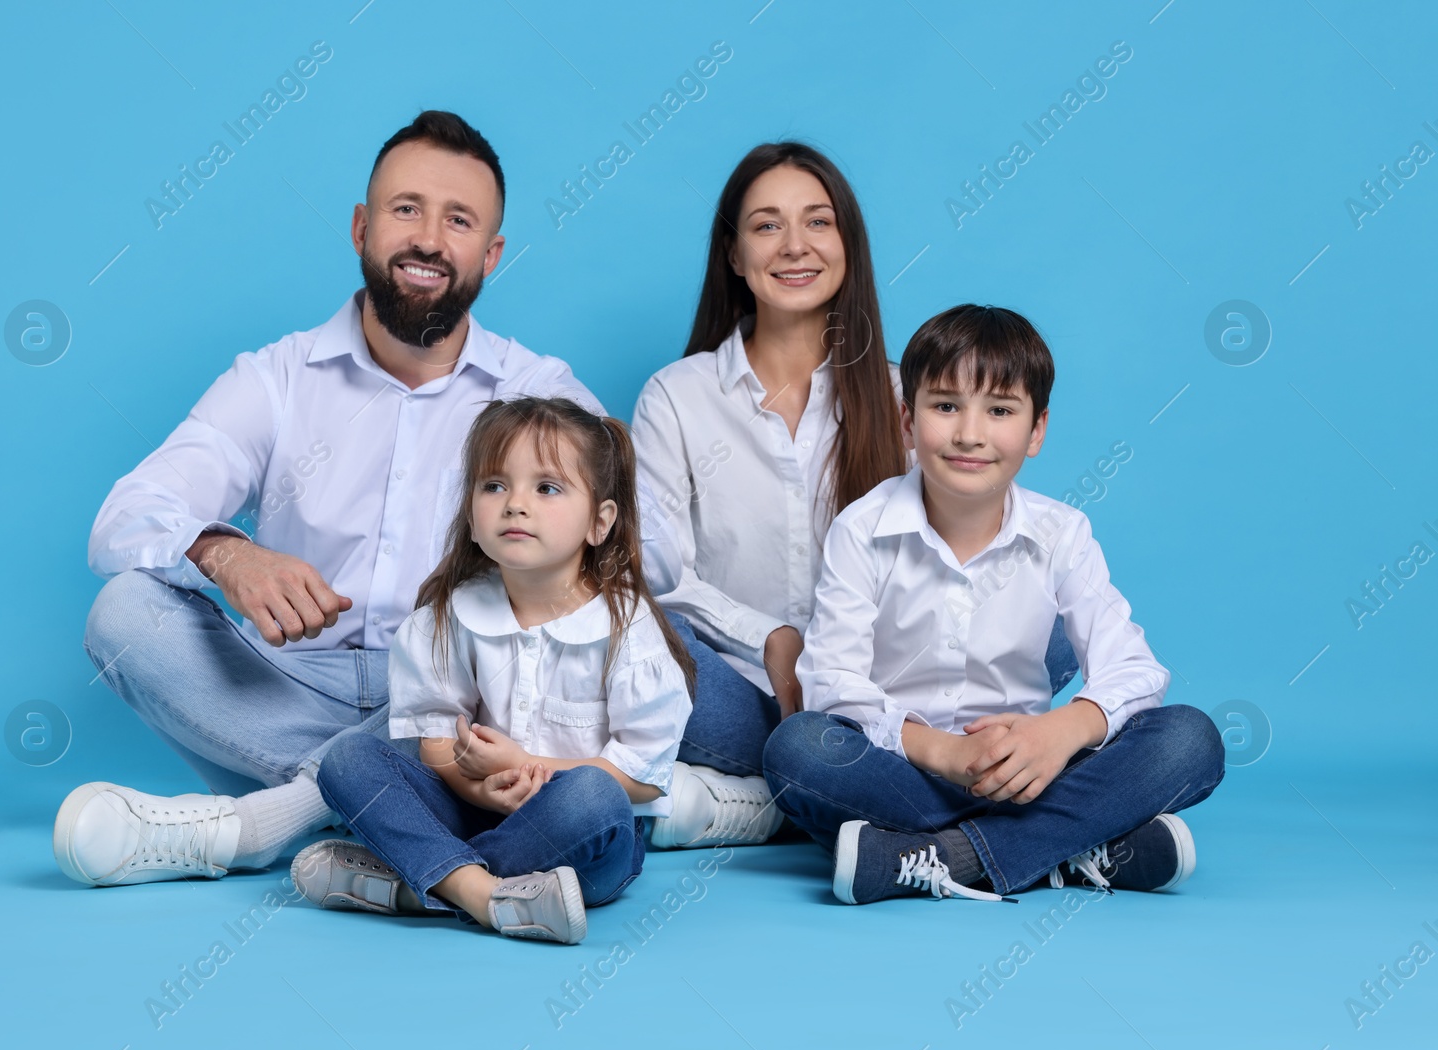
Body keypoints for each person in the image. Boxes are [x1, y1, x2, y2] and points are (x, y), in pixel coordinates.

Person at [52, 112, 679, 888]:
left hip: (463, 697)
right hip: (285, 683)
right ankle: (364, 801)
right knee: (122, 613)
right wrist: (228, 554)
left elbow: (652, 555)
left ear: (491, 254)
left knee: (461, 685)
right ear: (361, 226)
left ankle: (259, 824)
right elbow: (125, 515)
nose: (428, 239)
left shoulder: (539, 394)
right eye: (406, 209)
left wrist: (530, 588)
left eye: (459, 220)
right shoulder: (277, 377)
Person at [632, 144, 1074, 849]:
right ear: (736, 254)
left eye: (818, 222)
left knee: (1046, 619)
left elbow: (976, 538)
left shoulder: (907, 395)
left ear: (848, 245)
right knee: (633, 638)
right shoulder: (678, 397)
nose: (795, 245)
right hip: (748, 695)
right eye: (767, 226)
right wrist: (772, 638)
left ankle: (775, 802)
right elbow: (658, 576)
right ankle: (838, 794)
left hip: (893, 697)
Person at [761, 304, 1224, 904]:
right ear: (907, 420)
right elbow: (831, 684)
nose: (970, 434)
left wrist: (1058, 733)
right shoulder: (862, 527)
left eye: (1000, 410)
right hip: (905, 772)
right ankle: (1075, 846)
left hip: (1032, 770)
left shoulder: (1063, 532)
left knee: (1192, 738)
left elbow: (1134, 670)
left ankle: (936, 858)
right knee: (796, 750)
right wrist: (946, 752)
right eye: (945, 405)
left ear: (1036, 431)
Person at [290, 398, 693, 945]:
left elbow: (643, 777)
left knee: (595, 797)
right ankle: (483, 897)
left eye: (547, 488)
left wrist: (528, 767)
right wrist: (478, 788)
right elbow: (434, 742)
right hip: (466, 812)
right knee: (349, 759)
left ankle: (425, 884)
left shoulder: (625, 627)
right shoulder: (449, 614)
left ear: (600, 523)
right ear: (471, 513)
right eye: (494, 486)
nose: (515, 505)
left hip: (571, 843)